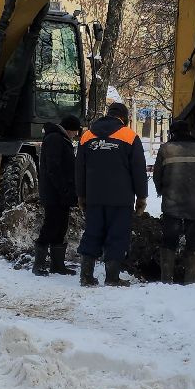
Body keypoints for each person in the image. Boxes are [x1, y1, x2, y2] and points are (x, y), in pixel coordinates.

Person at [74, 102, 148, 287]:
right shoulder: (130, 136)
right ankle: (112, 277)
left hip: (94, 196)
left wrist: (81, 195)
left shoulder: (87, 136)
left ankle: (86, 276)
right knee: (117, 234)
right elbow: (138, 169)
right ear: (124, 117)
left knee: (92, 232)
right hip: (120, 197)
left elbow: (79, 169)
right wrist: (142, 197)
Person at [153, 123, 195, 285]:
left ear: (172, 133)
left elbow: (157, 177)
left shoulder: (166, 149)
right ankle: (190, 281)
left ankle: (166, 279)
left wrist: (162, 191)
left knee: (169, 240)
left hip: (172, 204)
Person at [32, 115, 81, 276]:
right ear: (69, 129)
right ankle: (38, 264)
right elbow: (54, 168)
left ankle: (57, 265)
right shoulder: (55, 139)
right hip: (55, 193)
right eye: (75, 131)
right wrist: (64, 190)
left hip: (61, 193)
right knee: (51, 225)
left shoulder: (60, 139)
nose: (75, 135)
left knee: (61, 227)